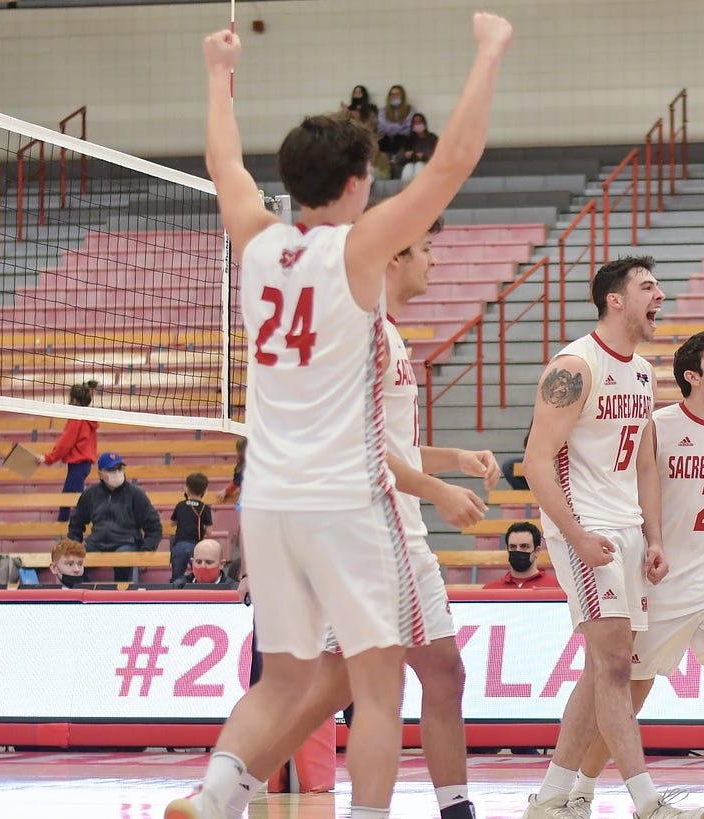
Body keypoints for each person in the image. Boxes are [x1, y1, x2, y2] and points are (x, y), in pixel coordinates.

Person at [167, 15, 510, 819]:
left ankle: (213, 794)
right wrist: (489, 51)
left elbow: (223, 161)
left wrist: (219, 74)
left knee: (284, 674)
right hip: (343, 500)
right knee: (376, 680)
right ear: (359, 182)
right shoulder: (357, 252)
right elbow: (453, 161)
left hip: (268, 500)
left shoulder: (255, 238)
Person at [215, 216, 501, 819]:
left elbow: (392, 441)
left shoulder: (391, 336)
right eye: (425, 250)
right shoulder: (364, 331)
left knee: (415, 677)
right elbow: (364, 446)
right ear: (393, 259)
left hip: (388, 528)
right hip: (376, 534)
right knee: (364, 687)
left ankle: (231, 791)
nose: (434, 262)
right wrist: (438, 490)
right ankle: (240, 791)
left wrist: (457, 460)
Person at [568, 330, 704, 819]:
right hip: (663, 580)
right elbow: (634, 488)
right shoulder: (657, 426)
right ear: (692, 375)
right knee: (632, 690)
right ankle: (581, 788)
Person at [520, 256, 704, 819]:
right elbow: (534, 461)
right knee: (616, 667)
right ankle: (646, 801)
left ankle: (553, 795)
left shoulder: (640, 369)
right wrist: (575, 535)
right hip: (585, 529)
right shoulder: (575, 365)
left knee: (603, 668)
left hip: (626, 527)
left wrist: (654, 538)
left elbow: (646, 464)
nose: (661, 296)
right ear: (615, 300)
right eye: (649, 287)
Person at [66, 452, 162, 583]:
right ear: (100, 473)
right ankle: (84, 592)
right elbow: (76, 523)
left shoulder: (135, 494)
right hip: (96, 542)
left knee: (123, 558)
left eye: (119, 468)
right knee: (73, 561)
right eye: (111, 470)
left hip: (126, 542)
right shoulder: (90, 494)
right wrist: (74, 546)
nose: (116, 473)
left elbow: (154, 526)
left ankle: (121, 596)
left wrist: (146, 551)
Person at [43, 380, 100, 522]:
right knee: (73, 497)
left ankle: (66, 530)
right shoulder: (87, 417)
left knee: (69, 499)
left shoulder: (77, 418)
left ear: (74, 400)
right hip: (83, 465)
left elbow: (65, 443)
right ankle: (74, 526)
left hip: (78, 465)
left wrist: (48, 458)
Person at [484, 521, 562, 589]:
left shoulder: (556, 587)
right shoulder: (490, 590)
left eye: (524, 546)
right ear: (507, 549)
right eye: (513, 547)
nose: (518, 550)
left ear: (537, 551)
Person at [169, 472, 213, 582]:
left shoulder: (180, 505)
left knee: (176, 578)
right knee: (200, 577)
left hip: (179, 545)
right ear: (204, 491)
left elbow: (172, 523)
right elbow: (209, 531)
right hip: (196, 546)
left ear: (187, 489)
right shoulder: (205, 508)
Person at [172, 539, 238, 589]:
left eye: (209, 562)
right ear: (192, 562)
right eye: (198, 562)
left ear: (221, 564)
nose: (202, 566)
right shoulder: (180, 586)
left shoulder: (233, 589)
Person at [396, 112, 439, 183]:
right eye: (415, 123)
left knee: (419, 166)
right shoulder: (409, 139)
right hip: (411, 164)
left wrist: (424, 156)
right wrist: (405, 155)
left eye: (419, 122)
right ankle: (407, 191)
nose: (418, 124)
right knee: (408, 167)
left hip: (427, 164)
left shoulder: (432, 138)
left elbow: (438, 154)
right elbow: (398, 158)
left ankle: (419, 190)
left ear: (424, 123)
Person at [377, 84, 416, 155]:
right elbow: (381, 128)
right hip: (386, 139)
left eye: (397, 94)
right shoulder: (383, 111)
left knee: (401, 139)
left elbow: (408, 127)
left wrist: (391, 128)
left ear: (402, 96)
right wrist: (398, 126)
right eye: (392, 94)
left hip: (403, 139)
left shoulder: (410, 110)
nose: (394, 96)